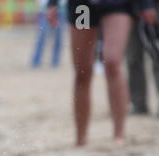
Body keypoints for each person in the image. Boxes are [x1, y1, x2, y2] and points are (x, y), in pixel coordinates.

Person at [47, 0, 157, 146]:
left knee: (112, 62)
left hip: (117, 5)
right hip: (83, 7)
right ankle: (81, 137)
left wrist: (146, 4)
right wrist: (52, 3)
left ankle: (119, 134)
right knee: (82, 71)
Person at [127, 0, 159, 116]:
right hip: (129, 8)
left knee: (157, 56)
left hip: (154, 6)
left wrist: (148, 5)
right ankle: (138, 105)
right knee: (133, 59)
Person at [31, 0, 66, 68]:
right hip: (45, 9)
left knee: (58, 38)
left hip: (60, 8)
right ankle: (36, 61)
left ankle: (55, 62)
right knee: (42, 36)